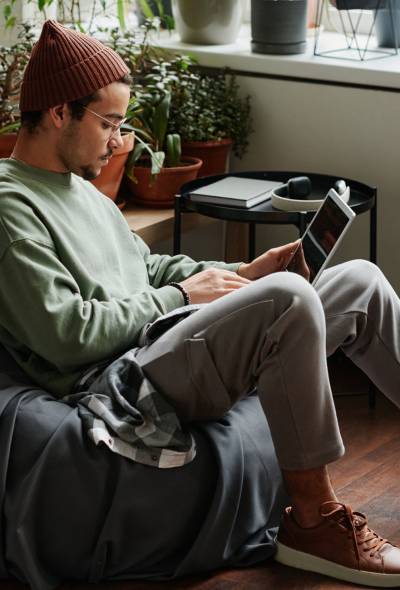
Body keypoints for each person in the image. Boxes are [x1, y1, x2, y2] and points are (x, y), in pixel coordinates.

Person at [0, 19, 400, 589]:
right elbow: (67, 334)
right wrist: (186, 295)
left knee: (358, 280)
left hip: (166, 331)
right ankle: (314, 523)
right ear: (60, 112)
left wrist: (241, 273)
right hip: (122, 375)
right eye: (109, 123)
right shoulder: (11, 207)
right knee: (288, 299)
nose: (119, 141)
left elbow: (150, 268)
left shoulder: (80, 189)